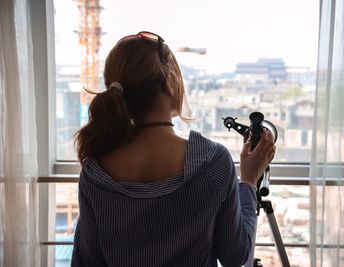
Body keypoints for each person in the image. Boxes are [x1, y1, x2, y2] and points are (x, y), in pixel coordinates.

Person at [71, 31, 276, 267]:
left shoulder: (96, 172)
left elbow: (86, 261)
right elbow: (236, 255)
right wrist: (249, 181)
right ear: (169, 82)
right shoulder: (212, 163)